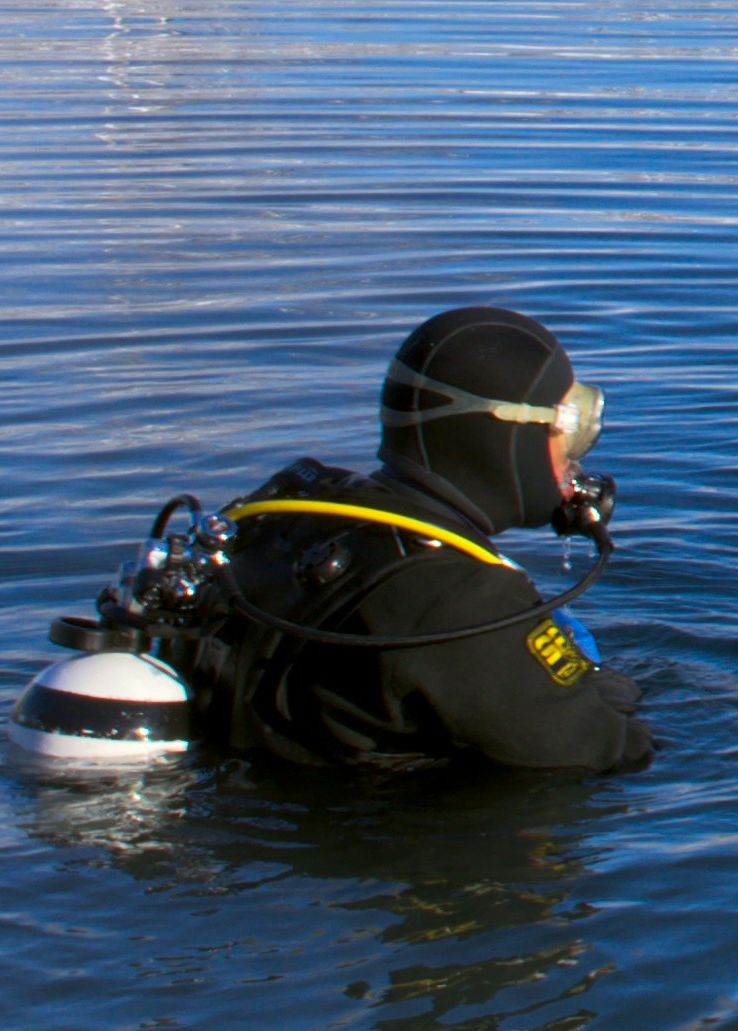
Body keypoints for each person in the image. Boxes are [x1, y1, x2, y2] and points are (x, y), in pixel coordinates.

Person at [199, 305, 654, 774]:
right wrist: (607, 688)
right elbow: (612, 751)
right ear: (505, 437)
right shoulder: (459, 600)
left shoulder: (301, 509)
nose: (573, 459)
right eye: (567, 428)